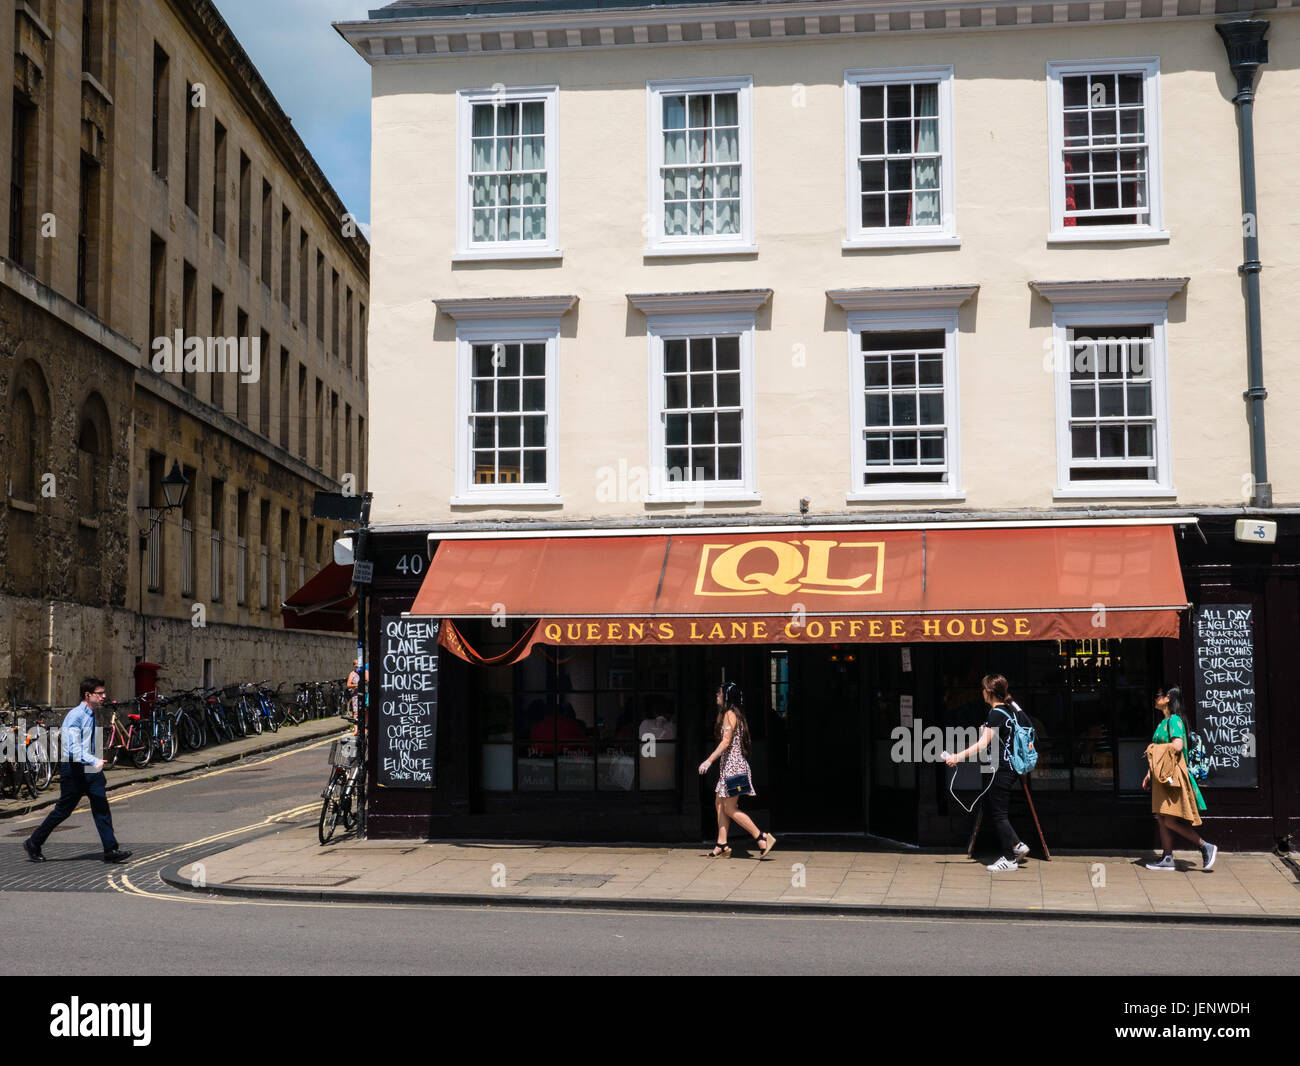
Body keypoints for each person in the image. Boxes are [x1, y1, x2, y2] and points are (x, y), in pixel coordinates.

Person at [23, 678, 131, 864]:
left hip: (90, 767)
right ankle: (34, 842)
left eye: (104, 693)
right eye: (100, 693)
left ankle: (111, 850)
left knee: (101, 807)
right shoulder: (75, 716)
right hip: (74, 769)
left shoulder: (92, 713)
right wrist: (94, 759)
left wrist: (94, 761)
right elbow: (72, 747)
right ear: (88, 695)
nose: (104, 696)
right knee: (63, 811)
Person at [944, 674, 1032, 872]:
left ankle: (1010, 858)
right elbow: (999, 737)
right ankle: (1017, 845)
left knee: (999, 814)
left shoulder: (995, 713)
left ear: (989, 692)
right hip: (1009, 768)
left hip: (1001, 769)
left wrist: (957, 757)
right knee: (997, 811)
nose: (981, 692)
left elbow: (983, 744)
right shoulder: (1008, 710)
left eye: (983, 689)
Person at [697, 682, 775, 859]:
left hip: (733, 768)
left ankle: (761, 837)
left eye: (719, 692)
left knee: (730, 808)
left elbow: (725, 742)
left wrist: (708, 761)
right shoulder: (732, 714)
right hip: (730, 767)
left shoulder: (729, 715)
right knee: (719, 803)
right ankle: (722, 844)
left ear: (726, 697)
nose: (716, 695)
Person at [1143, 687, 1215, 871]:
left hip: (1171, 776)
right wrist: (1150, 774)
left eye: (1158, 695)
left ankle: (1204, 845)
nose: (1155, 699)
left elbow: (1177, 745)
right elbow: (1161, 752)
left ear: (1168, 698)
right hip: (1162, 776)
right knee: (1161, 817)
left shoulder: (1174, 720)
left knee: (1168, 820)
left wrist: (1153, 748)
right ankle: (1167, 858)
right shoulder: (1164, 722)